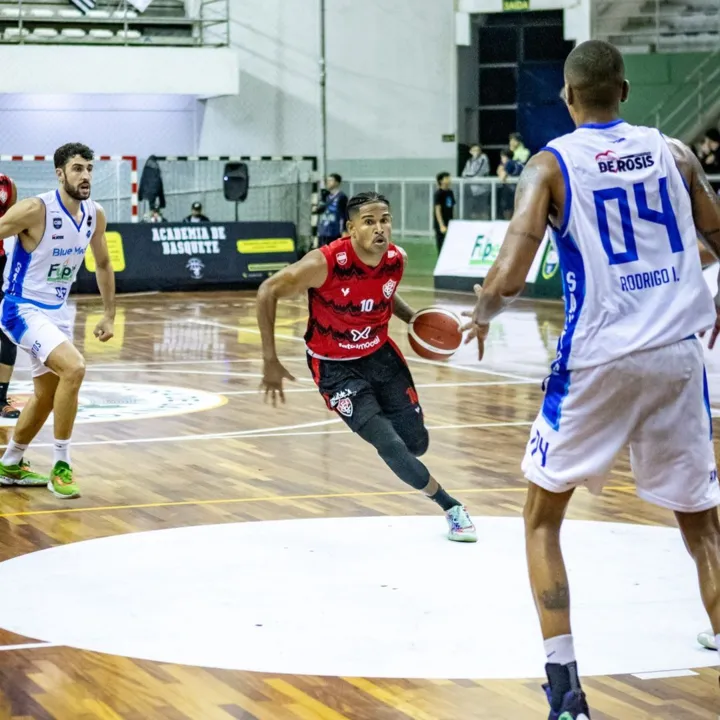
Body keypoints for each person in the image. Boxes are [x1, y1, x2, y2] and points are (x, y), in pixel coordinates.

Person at [463, 40, 720, 719]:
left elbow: (512, 277)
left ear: (569, 98)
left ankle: (567, 693)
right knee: (705, 532)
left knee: (542, 521)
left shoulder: (549, 165)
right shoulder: (676, 152)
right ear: (626, 92)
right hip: (676, 355)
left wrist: (480, 314)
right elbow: (717, 234)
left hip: (599, 358)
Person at [257, 191, 476, 542]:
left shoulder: (395, 260)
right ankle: (451, 507)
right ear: (350, 228)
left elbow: (384, 294)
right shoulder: (324, 263)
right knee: (389, 444)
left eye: (385, 220)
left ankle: (383, 420)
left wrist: (415, 319)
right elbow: (267, 290)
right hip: (334, 367)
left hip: (379, 355)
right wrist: (270, 359)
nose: (379, 228)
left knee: (415, 444)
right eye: (369, 221)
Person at [0, 143, 115, 498]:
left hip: (59, 312)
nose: (85, 176)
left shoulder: (95, 214)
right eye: (77, 168)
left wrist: (109, 313)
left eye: (90, 169)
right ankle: (61, 464)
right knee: (74, 368)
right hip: (21, 307)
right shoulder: (35, 210)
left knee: (47, 396)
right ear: (60, 173)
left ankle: (10, 462)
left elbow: (104, 264)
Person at [0, 175, 21, 420]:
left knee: (7, 331)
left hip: (2, 266)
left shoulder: (7, 184)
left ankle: (1, 398)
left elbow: (16, 224)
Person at [316, 174, 348, 247]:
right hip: (323, 231)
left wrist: (344, 230)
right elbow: (320, 210)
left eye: (330, 180)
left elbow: (345, 214)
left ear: (337, 182)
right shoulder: (326, 196)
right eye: (327, 180)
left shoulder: (342, 197)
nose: (328, 182)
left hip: (335, 231)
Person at [461, 144, 490, 219]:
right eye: (474, 150)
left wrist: (467, 176)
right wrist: (466, 176)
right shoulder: (469, 161)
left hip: (482, 190)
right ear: (470, 151)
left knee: (483, 211)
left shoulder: (483, 158)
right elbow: (464, 173)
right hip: (472, 190)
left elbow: (478, 173)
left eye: (477, 150)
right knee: (473, 212)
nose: (476, 152)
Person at [433, 172, 456, 253]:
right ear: (441, 181)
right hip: (441, 224)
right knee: (441, 245)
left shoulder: (450, 192)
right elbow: (437, 210)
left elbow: (452, 208)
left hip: (450, 222)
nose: (449, 180)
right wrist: (441, 225)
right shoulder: (438, 194)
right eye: (447, 178)